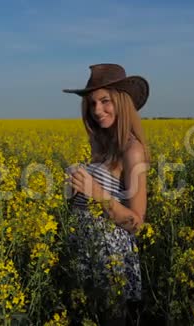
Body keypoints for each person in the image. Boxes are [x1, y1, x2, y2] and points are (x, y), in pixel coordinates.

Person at [63, 63, 150, 325]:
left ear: (121, 102)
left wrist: (96, 193)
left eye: (105, 101)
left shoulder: (132, 151)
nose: (97, 110)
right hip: (83, 249)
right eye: (92, 104)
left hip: (109, 260)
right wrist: (73, 191)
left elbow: (136, 223)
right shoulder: (100, 143)